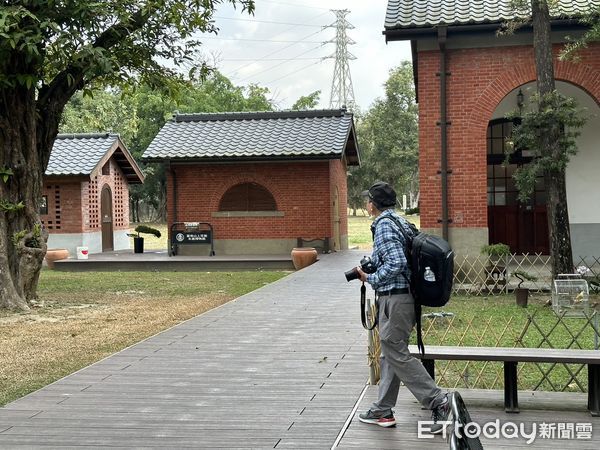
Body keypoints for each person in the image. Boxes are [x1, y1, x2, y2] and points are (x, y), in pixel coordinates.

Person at [355, 181, 454, 433]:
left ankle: (438, 402)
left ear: (372, 204)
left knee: (394, 350)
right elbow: (395, 258)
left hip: (396, 299)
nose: (367, 204)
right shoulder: (398, 221)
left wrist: (371, 278)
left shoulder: (385, 225)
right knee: (389, 352)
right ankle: (383, 409)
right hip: (402, 298)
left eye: (368, 200)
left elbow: (397, 263)